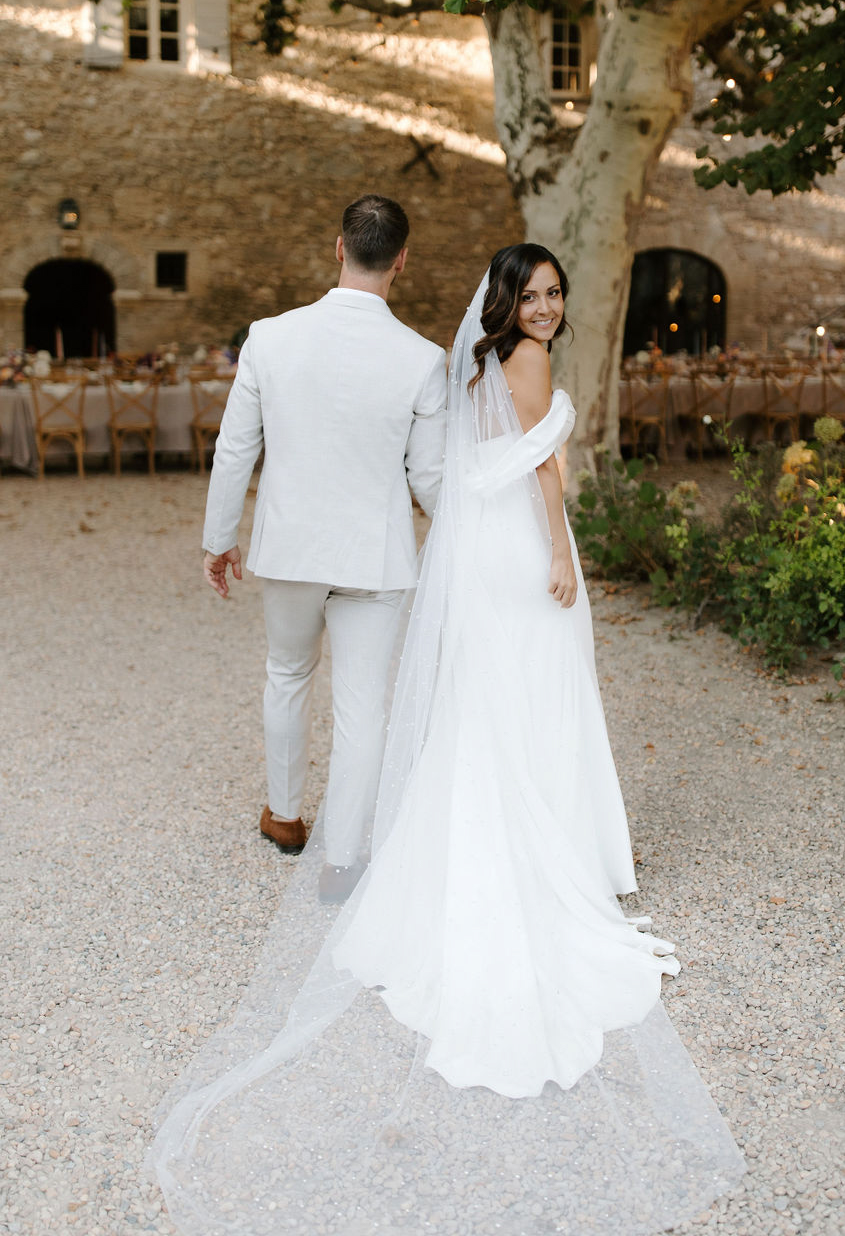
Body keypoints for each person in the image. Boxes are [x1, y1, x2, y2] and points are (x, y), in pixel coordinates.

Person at [150, 245, 744, 1234]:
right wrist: (560, 553)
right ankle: (549, 849)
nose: (549, 308)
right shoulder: (529, 362)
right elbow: (545, 472)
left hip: (477, 556)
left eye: (557, 294)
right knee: (536, 695)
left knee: (489, 705)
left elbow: (466, 467)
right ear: (510, 301)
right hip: (521, 553)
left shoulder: (471, 360)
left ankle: (482, 840)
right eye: (537, 294)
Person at [200, 193, 446, 899]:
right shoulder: (422, 360)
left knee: (287, 674)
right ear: (402, 259)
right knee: (364, 706)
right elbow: (430, 479)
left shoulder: (269, 338)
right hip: (376, 557)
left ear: (339, 248)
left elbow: (234, 449)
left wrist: (220, 540)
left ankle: (284, 816)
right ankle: (343, 860)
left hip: (293, 550)